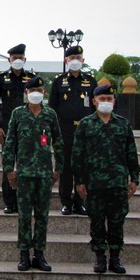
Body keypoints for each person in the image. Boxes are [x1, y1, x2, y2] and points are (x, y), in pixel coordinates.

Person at [71, 84, 140, 274]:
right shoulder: (86, 124)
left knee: (117, 222)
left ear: (114, 101)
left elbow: (131, 154)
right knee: (97, 222)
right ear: (94, 101)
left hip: (118, 183)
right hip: (94, 184)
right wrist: (79, 181)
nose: (106, 102)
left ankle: (115, 258)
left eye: (109, 99)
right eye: (102, 99)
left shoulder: (122, 124)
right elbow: (77, 155)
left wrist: (134, 179)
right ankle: (100, 257)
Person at [2, 76, 64, 272]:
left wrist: (58, 168)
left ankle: (39, 253)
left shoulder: (50, 114)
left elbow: (59, 142)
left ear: (44, 93)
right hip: (25, 173)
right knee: (24, 215)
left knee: (42, 215)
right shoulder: (18, 114)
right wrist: (9, 170)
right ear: (26, 94)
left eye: (39, 90)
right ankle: (23, 254)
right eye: (31, 91)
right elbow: (10, 143)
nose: (35, 93)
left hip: (45, 173)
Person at [48, 45, 97, 216]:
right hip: (65, 129)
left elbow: (95, 107)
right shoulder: (59, 81)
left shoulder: (91, 81)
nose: (75, 60)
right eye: (71, 58)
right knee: (66, 167)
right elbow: (52, 108)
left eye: (78, 57)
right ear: (66, 61)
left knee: (83, 167)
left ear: (83, 60)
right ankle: (66, 202)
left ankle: (80, 201)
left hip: (85, 130)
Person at [0, 43, 36, 214]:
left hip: (28, 128)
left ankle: (24, 200)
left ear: (25, 59)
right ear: (9, 59)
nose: (17, 60)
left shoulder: (31, 79)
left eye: (20, 57)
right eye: (14, 58)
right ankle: (9, 202)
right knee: (8, 165)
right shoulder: (1, 79)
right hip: (7, 128)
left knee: (27, 165)